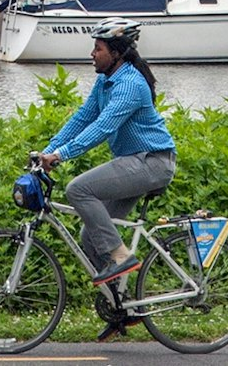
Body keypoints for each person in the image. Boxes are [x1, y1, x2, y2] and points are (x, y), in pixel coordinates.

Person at [38, 18, 176, 291]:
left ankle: (121, 256)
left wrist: (62, 155)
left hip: (153, 162)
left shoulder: (130, 85)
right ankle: (119, 304)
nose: (92, 54)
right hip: (133, 162)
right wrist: (50, 149)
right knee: (91, 236)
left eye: (98, 48)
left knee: (78, 190)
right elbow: (84, 117)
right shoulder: (106, 81)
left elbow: (103, 126)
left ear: (116, 53)